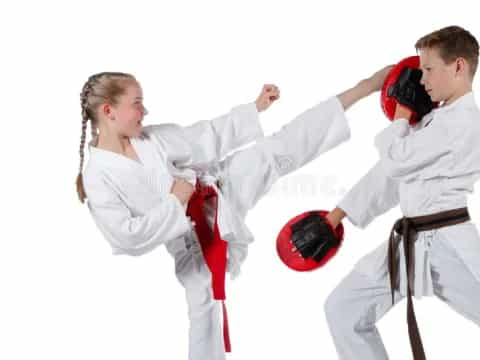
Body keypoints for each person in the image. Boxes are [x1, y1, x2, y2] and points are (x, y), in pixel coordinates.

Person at [76, 67, 388, 360]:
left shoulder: (149, 139)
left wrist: (255, 109)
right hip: (189, 239)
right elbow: (127, 237)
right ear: (109, 111)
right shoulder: (98, 176)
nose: (144, 111)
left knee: (272, 151)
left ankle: (360, 90)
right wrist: (174, 202)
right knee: (205, 306)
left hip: (219, 190)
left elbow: (205, 136)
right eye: (137, 104)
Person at [324, 25, 480, 360]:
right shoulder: (433, 122)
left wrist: (400, 116)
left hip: (450, 242)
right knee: (344, 308)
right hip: (411, 242)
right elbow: (390, 176)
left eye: (428, 69)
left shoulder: (465, 121)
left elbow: (395, 162)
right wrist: (337, 216)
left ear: (458, 67)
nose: (421, 80)